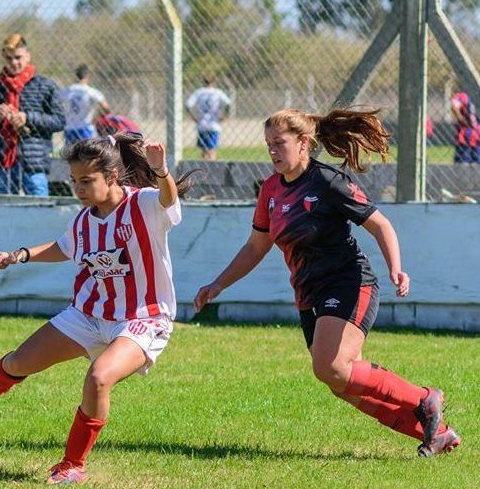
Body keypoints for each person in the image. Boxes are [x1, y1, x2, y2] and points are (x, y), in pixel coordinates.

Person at [193, 107, 461, 458]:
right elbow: (256, 247)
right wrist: (217, 285)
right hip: (308, 294)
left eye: (280, 143)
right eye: (268, 144)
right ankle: (438, 433)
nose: (272, 151)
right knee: (341, 384)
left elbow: (380, 224)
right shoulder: (271, 190)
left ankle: (424, 398)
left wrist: (397, 267)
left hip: (348, 283)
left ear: (304, 143)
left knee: (331, 367)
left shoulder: (327, 182)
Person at [0, 133, 193, 484]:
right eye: (74, 181)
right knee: (19, 362)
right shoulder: (84, 220)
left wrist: (161, 170)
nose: (78, 189)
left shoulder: (143, 205)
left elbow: (169, 199)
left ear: (111, 177)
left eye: (86, 181)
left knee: (99, 378)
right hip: (88, 315)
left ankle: (72, 465)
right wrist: (21, 255)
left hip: (142, 318)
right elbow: (65, 247)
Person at [0, 34, 65, 196]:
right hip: (2, 160)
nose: (14, 62)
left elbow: (59, 121)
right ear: (3, 58)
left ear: (28, 56)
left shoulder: (44, 86)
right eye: (9, 58)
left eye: (18, 57)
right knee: (3, 210)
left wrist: (27, 117)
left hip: (34, 160)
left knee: (39, 207)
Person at [59, 64, 110, 146]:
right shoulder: (91, 92)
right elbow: (106, 108)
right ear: (87, 76)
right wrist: (97, 116)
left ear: (76, 76)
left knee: (70, 154)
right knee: (87, 154)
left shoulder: (66, 91)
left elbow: (56, 103)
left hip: (70, 129)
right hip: (85, 128)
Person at [185, 75, 231, 161]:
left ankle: (204, 170)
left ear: (203, 82)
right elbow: (228, 103)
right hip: (214, 124)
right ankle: (212, 167)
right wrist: (225, 116)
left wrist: (194, 117)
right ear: (214, 82)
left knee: (203, 151)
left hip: (202, 124)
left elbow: (188, 105)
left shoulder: (199, 92)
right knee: (212, 151)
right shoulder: (218, 92)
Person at [450, 91, 479, 163]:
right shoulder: (464, 96)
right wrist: (462, 120)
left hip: (476, 140)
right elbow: (454, 107)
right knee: (462, 167)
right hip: (467, 139)